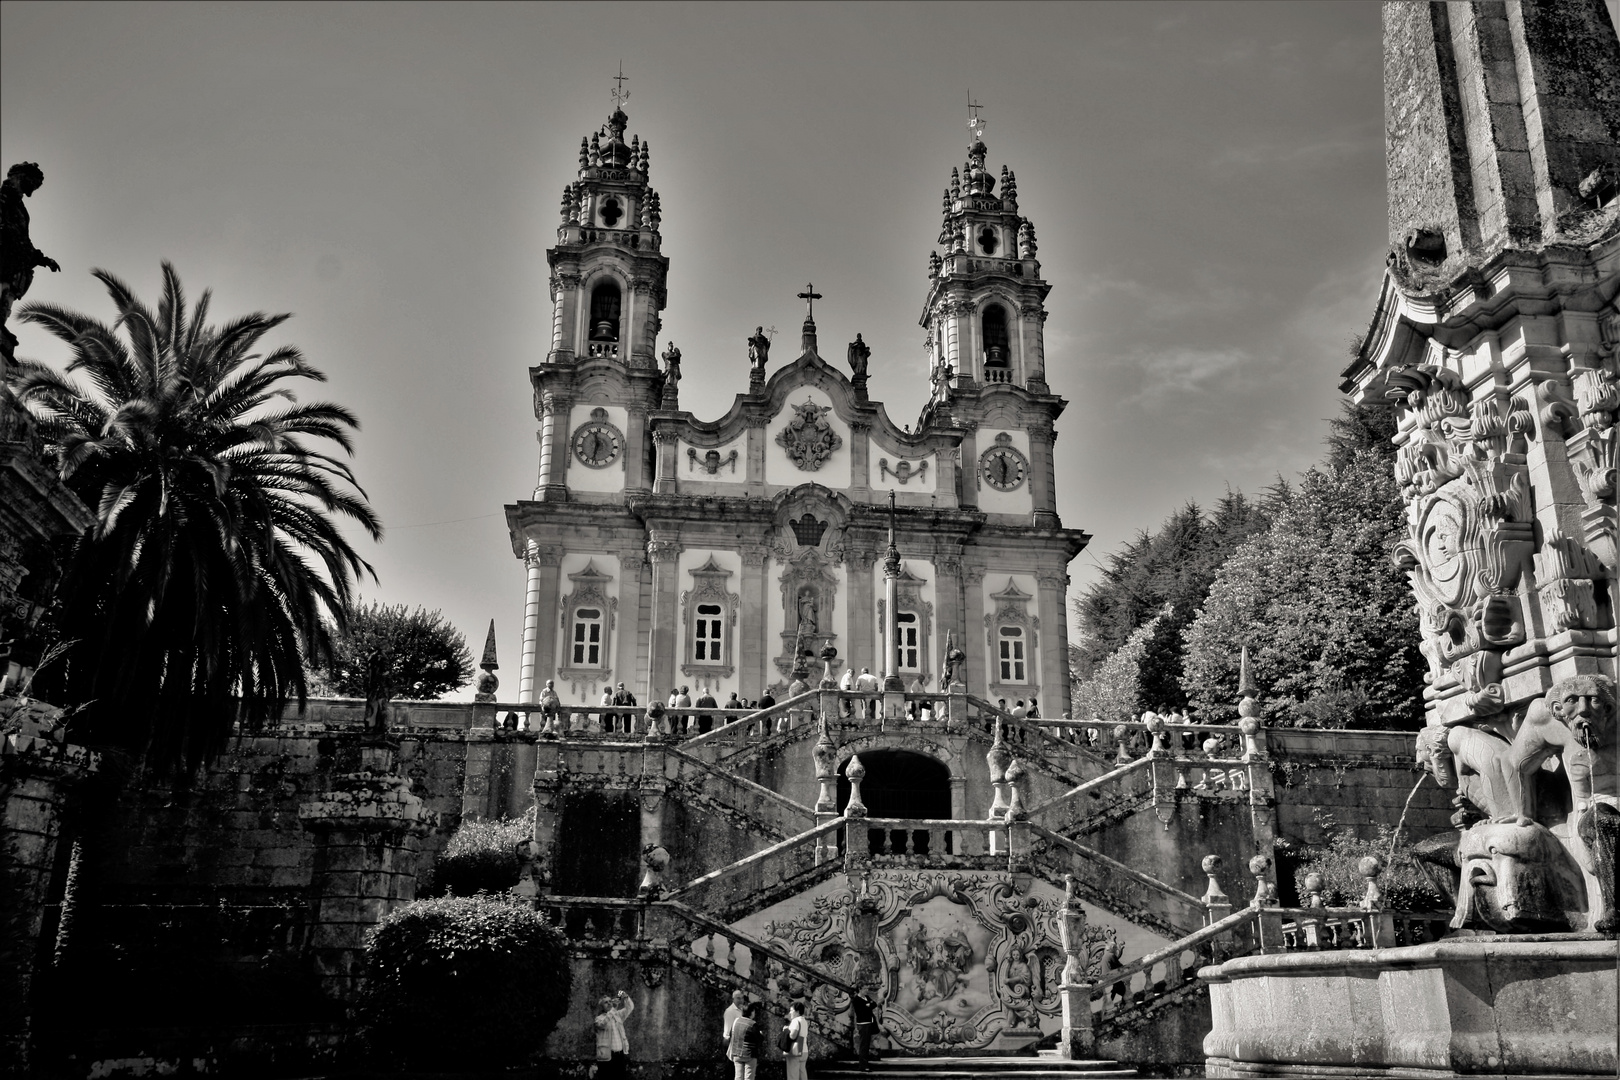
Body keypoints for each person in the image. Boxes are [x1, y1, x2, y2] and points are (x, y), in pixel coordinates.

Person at [593, 989, 634, 1080]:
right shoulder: (598, 1019)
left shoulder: (617, 1015)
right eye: (605, 1002)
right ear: (601, 1007)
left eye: (610, 1001)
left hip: (620, 1055)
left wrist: (626, 997)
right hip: (607, 1056)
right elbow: (603, 1024)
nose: (609, 1003)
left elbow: (629, 1008)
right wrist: (613, 1009)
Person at [727, 999, 761, 1080]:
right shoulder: (753, 1024)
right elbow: (759, 1039)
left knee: (738, 1077)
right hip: (749, 1054)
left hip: (736, 1053)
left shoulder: (736, 1021)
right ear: (752, 1012)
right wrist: (761, 1034)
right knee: (749, 1077)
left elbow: (732, 1035)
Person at [850, 988, 881, 1070]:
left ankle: (865, 1064)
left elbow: (874, 1004)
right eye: (864, 989)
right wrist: (868, 1005)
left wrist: (868, 1005)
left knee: (867, 1045)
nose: (866, 990)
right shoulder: (856, 999)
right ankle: (863, 1065)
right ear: (860, 989)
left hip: (869, 1022)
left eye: (866, 989)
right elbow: (861, 1011)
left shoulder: (866, 997)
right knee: (864, 1045)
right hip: (863, 1024)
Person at [783, 1000, 810, 1080]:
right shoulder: (804, 1021)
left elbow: (792, 1036)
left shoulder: (795, 1021)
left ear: (797, 1011)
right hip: (804, 1050)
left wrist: (786, 1030)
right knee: (802, 1073)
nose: (790, 1013)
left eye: (791, 1010)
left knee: (792, 1074)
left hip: (795, 1051)